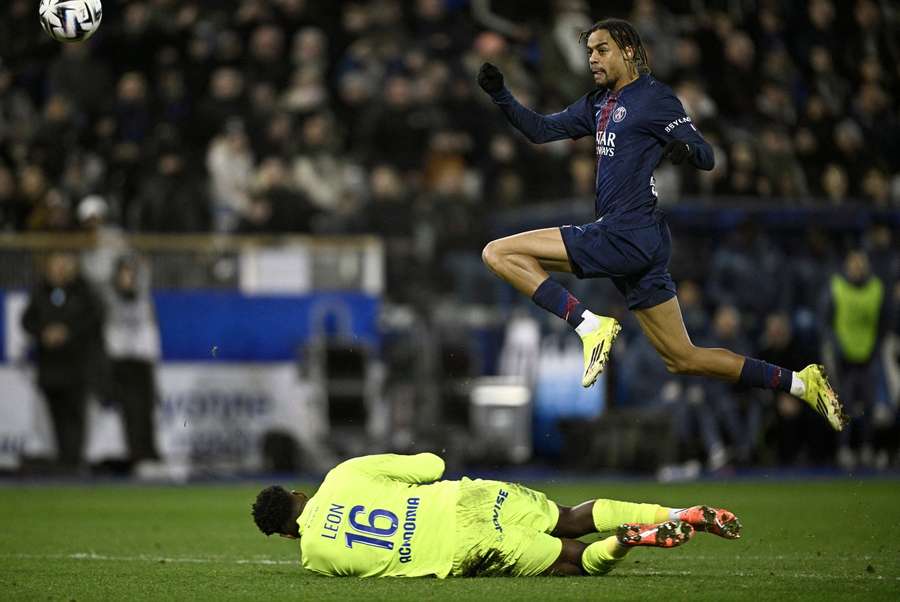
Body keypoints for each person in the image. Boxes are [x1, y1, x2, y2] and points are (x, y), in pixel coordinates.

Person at [475, 18, 846, 431]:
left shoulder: (654, 98)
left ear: (629, 51)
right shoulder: (598, 102)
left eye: (602, 50)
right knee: (683, 357)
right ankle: (800, 383)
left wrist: (684, 149)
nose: (593, 59)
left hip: (627, 231)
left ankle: (588, 324)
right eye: (590, 52)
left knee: (498, 252)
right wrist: (501, 95)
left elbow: (707, 154)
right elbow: (541, 131)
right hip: (640, 240)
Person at [252, 452, 741, 577]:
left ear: (284, 535)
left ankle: (627, 540)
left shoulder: (313, 555)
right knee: (569, 515)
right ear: (300, 491)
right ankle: (680, 511)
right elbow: (432, 466)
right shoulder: (340, 475)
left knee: (571, 560)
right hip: (465, 499)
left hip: (461, 549)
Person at [21, 251, 106, 471]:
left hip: (76, 367)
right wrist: (44, 333)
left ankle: (74, 461)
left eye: (64, 264)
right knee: (56, 417)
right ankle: (63, 463)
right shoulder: (40, 292)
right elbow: (26, 321)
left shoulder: (82, 290)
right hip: (50, 368)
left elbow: (96, 316)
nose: (60, 268)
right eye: (55, 264)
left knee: (75, 416)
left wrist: (68, 332)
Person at [102, 254, 162, 471]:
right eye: (124, 273)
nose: (128, 278)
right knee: (129, 412)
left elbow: (150, 330)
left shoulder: (144, 299)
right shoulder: (109, 299)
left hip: (142, 361)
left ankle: (149, 453)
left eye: (131, 273)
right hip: (120, 362)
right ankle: (135, 455)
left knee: (146, 410)